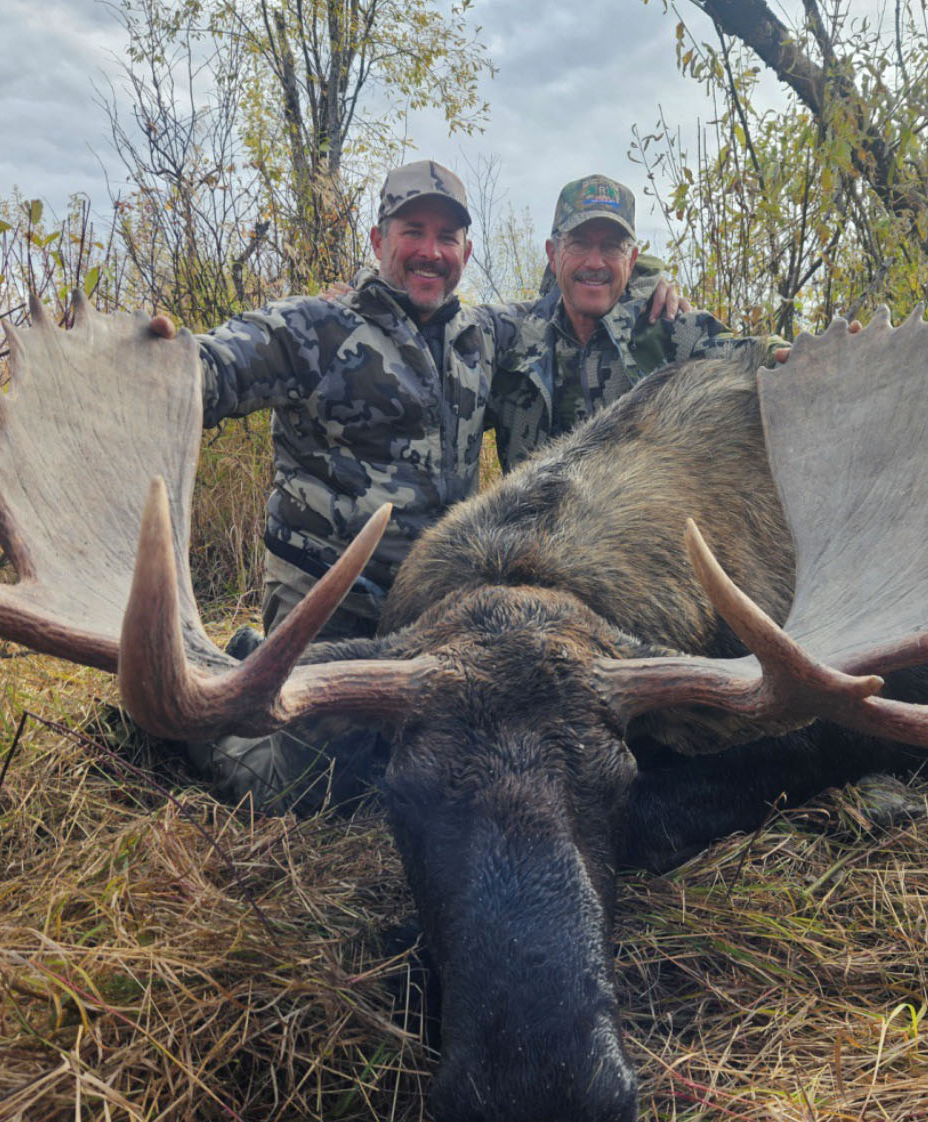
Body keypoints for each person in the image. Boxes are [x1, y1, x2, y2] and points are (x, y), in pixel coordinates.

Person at [161, 160, 685, 809]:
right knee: (307, 791)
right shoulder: (313, 328)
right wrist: (161, 360)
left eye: (447, 236)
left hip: (433, 615)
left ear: (466, 252)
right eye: (414, 230)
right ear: (379, 241)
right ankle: (191, 709)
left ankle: (250, 664)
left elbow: (588, 287)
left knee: (468, 772)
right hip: (330, 611)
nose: (430, 251)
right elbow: (209, 368)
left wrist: (651, 282)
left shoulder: (486, 338)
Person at [492, 173, 784, 469]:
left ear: (631, 261)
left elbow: (750, 357)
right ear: (553, 256)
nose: (595, 263)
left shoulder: (671, 330)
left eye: (611, 246)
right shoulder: (512, 337)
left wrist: (794, 357)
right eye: (579, 244)